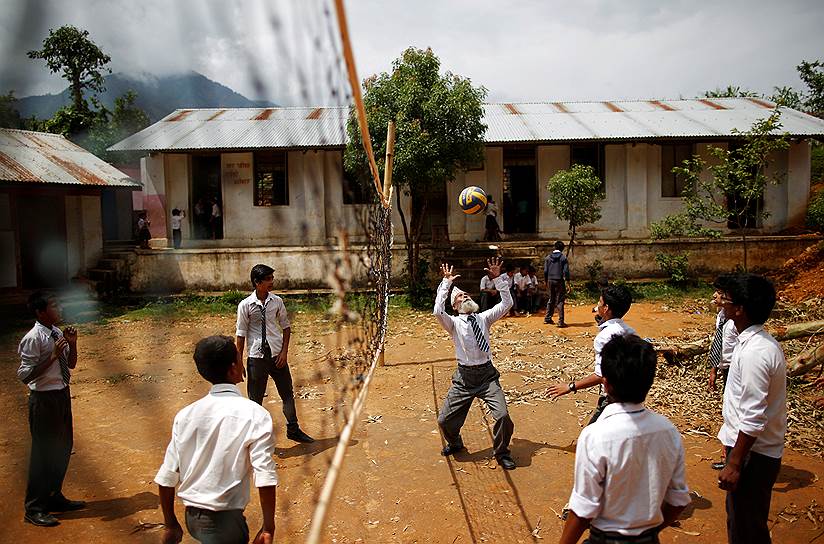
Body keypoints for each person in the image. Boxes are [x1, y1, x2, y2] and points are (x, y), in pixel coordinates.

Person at [559, 334, 691, 544]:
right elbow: (678, 500)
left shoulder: (595, 435)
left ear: (606, 384)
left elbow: (583, 510)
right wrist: (648, 531)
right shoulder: (668, 431)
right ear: (650, 381)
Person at [155, 335, 278, 544]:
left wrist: (170, 523)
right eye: (239, 358)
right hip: (227, 523)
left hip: (192, 518)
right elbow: (264, 474)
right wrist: (268, 527)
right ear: (233, 369)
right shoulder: (255, 415)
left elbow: (167, 476)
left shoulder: (185, 415)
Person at [716, 274, 786, 544]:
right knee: (743, 521)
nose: (722, 304)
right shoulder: (753, 343)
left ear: (740, 309)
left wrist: (735, 463)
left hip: (754, 456)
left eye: (727, 300)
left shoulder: (756, 352)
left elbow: (754, 416)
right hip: (750, 451)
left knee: (746, 529)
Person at [435, 257, 517, 470]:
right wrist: (446, 284)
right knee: (444, 420)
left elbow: (507, 303)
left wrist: (498, 278)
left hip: (487, 376)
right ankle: (455, 442)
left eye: (466, 294)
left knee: (503, 417)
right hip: (464, 378)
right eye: (461, 296)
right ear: (454, 306)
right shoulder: (452, 323)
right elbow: (437, 311)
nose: (465, 296)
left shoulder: (484, 318)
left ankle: (502, 452)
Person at [17, 291, 86, 527]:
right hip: (44, 399)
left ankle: (54, 496)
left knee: (63, 447)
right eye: (54, 306)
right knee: (42, 454)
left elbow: (72, 364)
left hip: (61, 395)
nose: (59, 309)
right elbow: (26, 376)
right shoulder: (33, 338)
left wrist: (72, 345)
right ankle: (34, 507)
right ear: (40, 312)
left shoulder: (57, 333)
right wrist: (53, 357)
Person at [236, 264, 314, 443]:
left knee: (287, 392)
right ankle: (254, 438)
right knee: (255, 399)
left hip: (277, 354)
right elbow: (240, 334)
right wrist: (239, 361)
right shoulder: (245, 305)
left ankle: (293, 429)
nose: (272, 282)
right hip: (256, 357)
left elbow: (286, 327)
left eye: (272, 278)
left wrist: (284, 352)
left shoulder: (277, 301)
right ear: (257, 282)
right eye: (268, 279)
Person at [548, 284, 635, 424]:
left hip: (613, 399)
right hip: (633, 396)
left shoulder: (604, 337)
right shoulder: (630, 331)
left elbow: (602, 376)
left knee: (591, 437)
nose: (597, 305)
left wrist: (570, 387)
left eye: (600, 302)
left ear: (606, 308)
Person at [707, 274, 740, 470]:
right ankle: (727, 453)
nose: (715, 296)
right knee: (728, 410)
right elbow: (718, 344)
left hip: (736, 371)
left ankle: (732, 457)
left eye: (719, 294)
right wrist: (714, 370)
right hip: (724, 368)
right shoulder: (721, 316)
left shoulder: (737, 321)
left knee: (734, 412)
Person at [544, 241, 570, 328]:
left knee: (551, 298)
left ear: (555, 247)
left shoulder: (548, 258)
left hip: (550, 280)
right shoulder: (563, 258)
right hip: (559, 280)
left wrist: (546, 281)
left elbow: (545, 271)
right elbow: (566, 271)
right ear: (562, 248)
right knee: (560, 300)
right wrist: (568, 282)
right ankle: (560, 321)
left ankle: (547, 318)